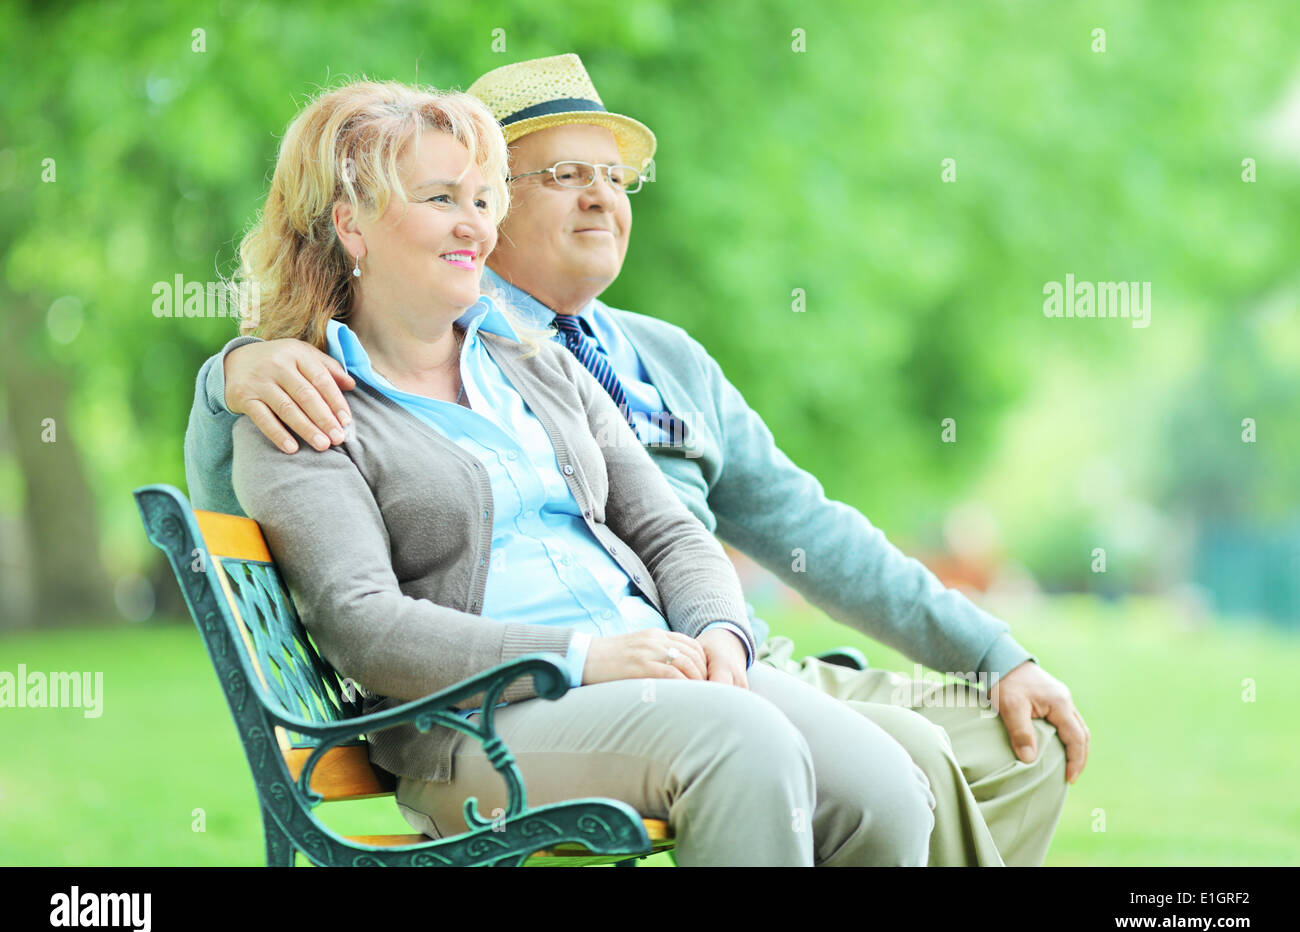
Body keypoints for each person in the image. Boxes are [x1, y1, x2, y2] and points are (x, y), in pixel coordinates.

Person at [187, 55, 1088, 866]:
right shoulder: (301, 400)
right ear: (351, 226)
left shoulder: (534, 363)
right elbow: (362, 622)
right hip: (480, 723)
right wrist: (585, 656)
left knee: (888, 788)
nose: (473, 227)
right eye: (441, 200)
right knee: (750, 746)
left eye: (479, 198)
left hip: (676, 671)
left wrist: (718, 636)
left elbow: (674, 528)